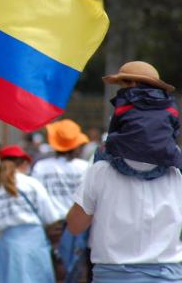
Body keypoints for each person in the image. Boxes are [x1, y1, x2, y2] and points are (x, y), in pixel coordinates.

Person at [67, 62, 182, 282]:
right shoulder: (176, 173)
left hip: (113, 275)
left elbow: (75, 226)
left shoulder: (100, 170)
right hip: (170, 276)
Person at [0, 145, 58, 283]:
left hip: (9, 243)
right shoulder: (33, 183)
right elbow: (50, 216)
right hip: (35, 242)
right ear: (23, 163)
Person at [31, 119, 89, 281]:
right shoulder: (84, 167)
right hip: (77, 225)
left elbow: (36, 198)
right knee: (77, 270)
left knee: (50, 271)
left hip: (51, 227)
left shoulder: (41, 167)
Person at [100, 60, 182, 169]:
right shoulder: (171, 107)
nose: (120, 88)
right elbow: (174, 133)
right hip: (162, 165)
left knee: (100, 150)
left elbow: (113, 130)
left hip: (126, 164)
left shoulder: (124, 103)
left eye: (121, 84)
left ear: (132, 83)